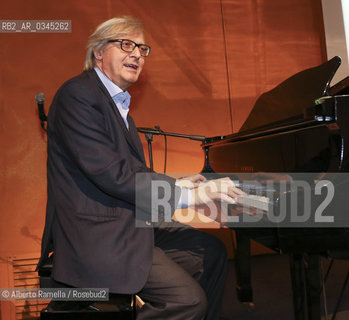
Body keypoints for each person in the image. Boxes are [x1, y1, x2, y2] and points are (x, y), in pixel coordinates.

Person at [37, 16, 243, 320]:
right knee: (187, 302)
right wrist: (190, 196)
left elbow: (127, 171)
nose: (137, 54)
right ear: (98, 51)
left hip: (126, 221)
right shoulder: (78, 95)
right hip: (97, 234)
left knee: (210, 252)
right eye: (126, 44)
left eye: (142, 49)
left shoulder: (118, 107)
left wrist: (181, 183)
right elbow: (111, 173)